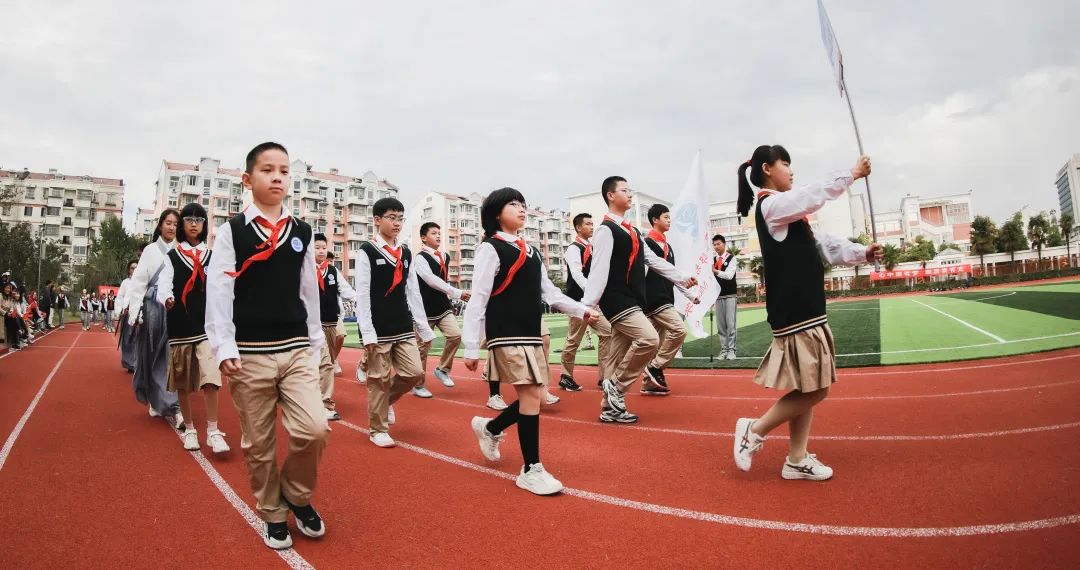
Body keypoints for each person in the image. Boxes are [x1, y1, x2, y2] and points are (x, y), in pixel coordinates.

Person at [731, 145, 883, 481]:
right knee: (817, 389)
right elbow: (810, 196)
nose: (791, 170)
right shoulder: (771, 206)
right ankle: (752, 431)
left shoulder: (791, 216)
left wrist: (863, 252)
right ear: (768, 168)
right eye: (786, 164)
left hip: (806, 309)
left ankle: (796, 458)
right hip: (796, 311)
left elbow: (826, 244)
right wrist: (850, 175)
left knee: (807, 385)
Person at [206, 142, 329, 549]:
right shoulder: (232, 232)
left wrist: (315, 345)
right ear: (247, 179)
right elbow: (220, 289)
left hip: (295, 347)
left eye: (283, 171)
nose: (277, 177)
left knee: (314, 428)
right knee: (258, 443)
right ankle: (273, 512)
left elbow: (308, 291)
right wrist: (223, 346)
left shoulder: (302, 232)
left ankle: (295, 494)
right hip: (249, 352)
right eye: (267, 170)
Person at [464, 187, 599, 495]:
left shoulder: (532, 251)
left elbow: (549, 293)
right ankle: (531, 468)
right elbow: (479, 297)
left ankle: (490, 428)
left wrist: (581, 310)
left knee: (536, 397)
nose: (522, 209)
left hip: (530, 333)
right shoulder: (491, 248)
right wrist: (471, 345)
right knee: (529, 396)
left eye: (523, 204)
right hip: (506, 332)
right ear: (497, 213)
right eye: (514, 204)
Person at [581, 176, 696, 424]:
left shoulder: (632, 230)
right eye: (625, 190)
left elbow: (652, 261)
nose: (630, 194)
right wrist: (588, 306)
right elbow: (598, 270)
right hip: (617, 300)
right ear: (611, 196)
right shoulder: (605, 230)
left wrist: (682, 279)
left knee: (616, 355)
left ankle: (609, 408)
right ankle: (617, 387)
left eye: (630, 190)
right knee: (650, 339)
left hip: (634, 299)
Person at [356, 197, 435, 448]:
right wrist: (366, 332)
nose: (397, 223)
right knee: (377, 378)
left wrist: (422, 326)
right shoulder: (366, 251)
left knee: (414, 372)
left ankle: (385, 402)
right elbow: (362, 293)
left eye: (400, 218)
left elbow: (412, 291)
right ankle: (377, 428)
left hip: (402, 325)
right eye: (391, 217)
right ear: (377, 220)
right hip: (378, 327)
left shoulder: (406, 252)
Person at [160, 203, 230, 453]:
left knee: (211, 378)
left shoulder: (212, 257)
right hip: (179, 327)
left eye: (198, 220)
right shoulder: (171, 257)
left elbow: (222, 288)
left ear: (204, 225)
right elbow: (164, 285)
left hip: (206, 328)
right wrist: (166, 298)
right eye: (188, 219)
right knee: (183, 383)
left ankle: (213, 430)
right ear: (181, 225)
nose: (193, 223)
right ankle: (190, 429)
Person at [128, 209, 182, 423]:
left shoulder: (180, 250)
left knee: (170, 357)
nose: (171, 227)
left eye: (175, 224)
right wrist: (134, 313)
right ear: (160, 225)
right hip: (152, 307)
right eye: (168, 223)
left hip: (172, 307)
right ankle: (154, 398)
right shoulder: (150, 250)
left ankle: (173, 405)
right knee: (150, 355)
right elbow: (139, 282)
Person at [642, 204, 700, 395]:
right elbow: (641, 276)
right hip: (654, 300)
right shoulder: (647, 244)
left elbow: (672, 276)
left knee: (654, 344)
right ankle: (655, 367)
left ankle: (648, 383)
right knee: (679, 331)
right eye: (665, 217)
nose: (669, 220)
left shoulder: (668, 247)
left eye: (669, 217)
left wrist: (691, 295)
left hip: (666, 298)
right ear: (654, 220)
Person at [411, 221, 469, 398]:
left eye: (439, 233)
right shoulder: (420, 258)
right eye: (433, 233)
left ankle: (442, 369)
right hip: (424, 309)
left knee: (456, 336)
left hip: (443, 307)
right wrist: (456, 292)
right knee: (423, 348)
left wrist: (450, 293)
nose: (438, 236)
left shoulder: (444, 256)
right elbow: (431, 280)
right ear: (423, 238)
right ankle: (418, 385)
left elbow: (441, 280)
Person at [558, 213, 612, 392]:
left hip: (592, 301)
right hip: (578, 301)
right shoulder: (574, 249)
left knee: (607, 332)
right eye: (588, 224)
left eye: (592, 223)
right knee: (574, 339)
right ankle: (566, 376)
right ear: (578, 228)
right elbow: (577, 274)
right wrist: (591, 292)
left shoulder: (591, 247)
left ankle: (604, 377)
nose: (592, 226)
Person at [313, 233, 356, 421]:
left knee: (326, 362)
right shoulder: (302, 269)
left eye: (323, 247)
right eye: (316, 247)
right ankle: (325, 404)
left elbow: (347, 292)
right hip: (312, 325)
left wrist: (363, 300)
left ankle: (313, 396)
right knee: (325, 363)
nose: (321, 250)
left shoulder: (332, 271)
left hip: (331, 323)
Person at [712, 234, 739, 360]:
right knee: (721, 326)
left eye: (718, 244)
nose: (716, 246)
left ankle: (732, 350)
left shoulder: (732, 258)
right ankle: (723, 350)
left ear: (724, 244)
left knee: (730, 324)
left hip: (730, 295)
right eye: (714, 244)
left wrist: (716, 271)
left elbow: (729, 275)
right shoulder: (712, 261)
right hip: (717, 297)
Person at [116, 260, 139, 372]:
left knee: (138, 339)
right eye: (132, 268)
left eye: (136, 268)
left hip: (139, 314)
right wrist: (121, 309)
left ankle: (137, 363)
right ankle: (129, 364)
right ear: (129, 270)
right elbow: (120, 297)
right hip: (127, 313)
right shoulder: (125, 282)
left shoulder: (143, 282)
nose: (134, 270)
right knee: (127, 339)